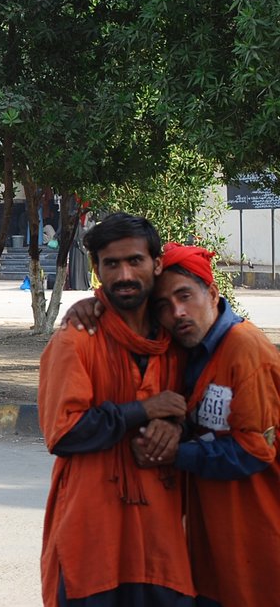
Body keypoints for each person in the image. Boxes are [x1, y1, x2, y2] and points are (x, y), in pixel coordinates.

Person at [38, 213, 194, 606]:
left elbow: (208, 415)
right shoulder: (76, 340)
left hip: (162, 542)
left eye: (135, 261)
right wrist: (143, 411)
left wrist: (176, 429)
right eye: (112, 264)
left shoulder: (180, 343)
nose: (124, 274)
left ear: (156, 264)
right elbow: (64, 432)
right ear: (97, 270)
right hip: (92, 539)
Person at [136, 244, 280, 607]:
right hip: (215, 543)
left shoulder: (245, 350)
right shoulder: (188, 350)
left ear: (213, 294)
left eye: (185, 296)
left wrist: (174, 453)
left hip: (259, 537)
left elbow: (253, 449)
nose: (177, 312)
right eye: (163, 306)